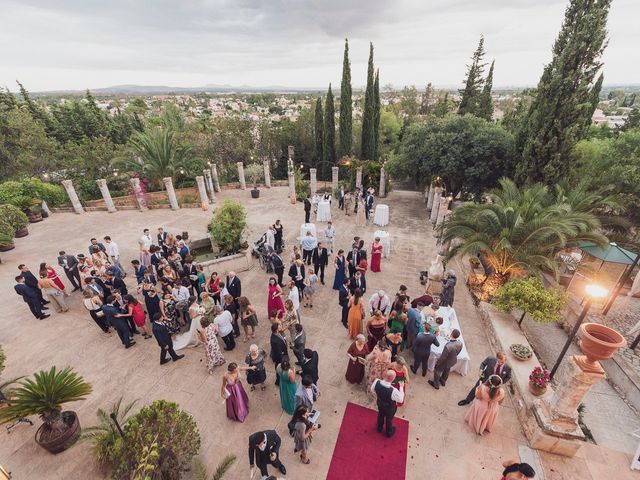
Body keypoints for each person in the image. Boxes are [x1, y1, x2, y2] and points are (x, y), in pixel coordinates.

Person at [371, 369, 404, 438]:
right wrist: (401, 387)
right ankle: (389, 432)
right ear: (393, 379)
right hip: (389, 408)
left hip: (380, 403)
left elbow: (372, 390)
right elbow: (400, 400)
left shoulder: (377, 381)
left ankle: (379, 428)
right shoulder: (393, 390)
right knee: (389, 419)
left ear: (385, 375)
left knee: (380, 414)